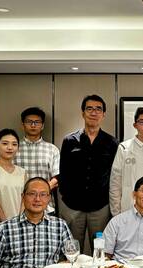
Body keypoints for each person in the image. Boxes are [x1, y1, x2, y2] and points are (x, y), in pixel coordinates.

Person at [0, 177, 73, 268]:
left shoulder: (60, 226)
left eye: (43, 194)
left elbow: (72, 259)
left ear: (49, 198)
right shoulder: (5, 228)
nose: (37, 199)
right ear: (23, 196)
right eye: (32, 194)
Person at [59, 94, 118, 252]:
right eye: (89, 108)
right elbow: (62, 171)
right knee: (71, 250)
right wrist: (65, 196)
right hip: (73, 205)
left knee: (100, 250)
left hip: (100, 207)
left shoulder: (112, 143)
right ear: (83, 112)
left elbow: (115, 174)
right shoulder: (69, 140)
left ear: (103, 114)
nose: (94, 112)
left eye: (98, 109)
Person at [0, 129, 27, 239]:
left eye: (14, 144)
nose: (10, 147)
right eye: (5, 143)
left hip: (18, 227)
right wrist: (8, 225)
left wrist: (18, 222)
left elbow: (24, 200)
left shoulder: (22, 172)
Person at [14, 107, 60, 214]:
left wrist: (39, 192)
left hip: (46, 205)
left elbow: (56, 178)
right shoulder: (14, 148)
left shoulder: (52, 149)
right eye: (29, 122)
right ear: (23, 124)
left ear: (42, 125)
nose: (33, 125)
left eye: (37, 122)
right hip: (17, 205)